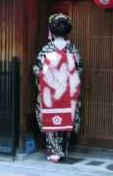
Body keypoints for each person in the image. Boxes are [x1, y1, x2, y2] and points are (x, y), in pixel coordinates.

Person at [33, 13, 82, 163]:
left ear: (52, 31)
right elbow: (79, 71)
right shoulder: (73, 49)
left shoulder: (46, 49)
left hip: (50, 93)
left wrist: (48, 80)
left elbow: (37, 69)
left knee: (50, 120)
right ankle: (63, 150)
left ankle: (54, 151)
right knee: (66, 119)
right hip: (68, 93)